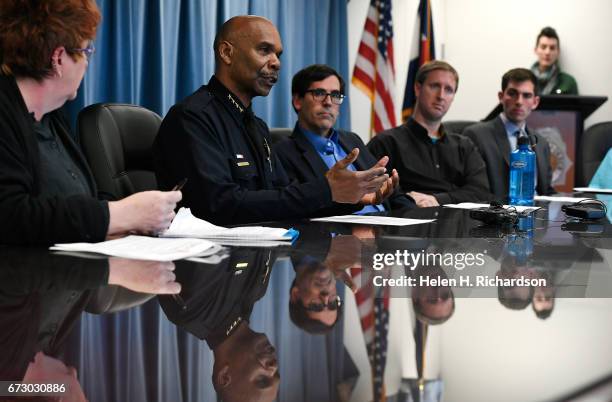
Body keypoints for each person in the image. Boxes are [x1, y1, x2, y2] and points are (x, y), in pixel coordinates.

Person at [153, 16, 393, 226]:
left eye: (278, 54)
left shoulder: (257, 126)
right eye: (264, 50)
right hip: (209, 267)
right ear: (227, 53)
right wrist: (326, 189)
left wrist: (347, 198)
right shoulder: (192, 117)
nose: (276, 62)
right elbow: (219, 205)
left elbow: (283, 197)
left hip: (259, 259)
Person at [0, 0, 181, 246]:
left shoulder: (53, 119)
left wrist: (128, 218)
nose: (86, 63)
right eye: (86, 51)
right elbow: (11, 216)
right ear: (59, 59)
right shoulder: (6, 115)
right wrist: (121, 215)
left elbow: (86, 198)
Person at [274, 64, 413, 216]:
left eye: (335, 95)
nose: (328, 102)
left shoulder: (351, 140)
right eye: (319, 93)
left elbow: (391, 193)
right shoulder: (282, 152)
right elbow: (298, 209)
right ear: (297, 101)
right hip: (339, 234)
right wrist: (357, 200)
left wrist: (416, 217)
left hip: (385, 225)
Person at [367, 60, 491, 207]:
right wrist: (410, 202)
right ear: (418, 89)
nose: (441, 95)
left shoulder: (464, 146)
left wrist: (438, 200)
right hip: (407, 223)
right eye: (434, 86)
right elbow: (376, 192)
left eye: (449, 90)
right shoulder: (386, 143)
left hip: (457, 226)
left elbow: (481, 192)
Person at [463, 68, 556, 201]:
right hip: (499, 216)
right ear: (501, 97)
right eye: (512, 93)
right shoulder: (476, 135)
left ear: (535, 102)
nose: (519, 101)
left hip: (538, 217)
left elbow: (547, 191)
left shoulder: (541, 143)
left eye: (526, 95)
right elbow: (475, 192)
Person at [530, 26, 578, 95]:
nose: (547, 52)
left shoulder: (568, 82)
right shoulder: (524, 80)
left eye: (552, 48)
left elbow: (575, 106)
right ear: (536, 50)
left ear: (558, 52)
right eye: (543, 47)